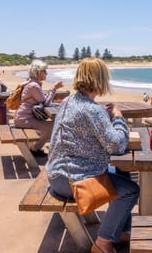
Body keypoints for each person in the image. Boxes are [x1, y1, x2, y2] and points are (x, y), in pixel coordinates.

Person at [46, 57, 139, 253]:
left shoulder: (67, 102)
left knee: (121, 173)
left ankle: (120, 231)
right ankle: (103, 244)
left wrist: (103, 116)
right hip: (73, 182)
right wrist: (119, 117)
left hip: (56, 175)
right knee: (130, 190)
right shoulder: (92, 110)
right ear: (100, 79)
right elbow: (117, 145)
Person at [13, 60, 64, 157]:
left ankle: (36, 148)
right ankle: (35, 149)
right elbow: (46, 103)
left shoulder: (31, 83)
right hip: (24, 119)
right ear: (38, 72)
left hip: (23, 117)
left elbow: (43, 100)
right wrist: (54, 88)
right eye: (44, 71)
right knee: (52, 126)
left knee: (52, 125)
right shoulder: (34, 86)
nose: (46, 73)